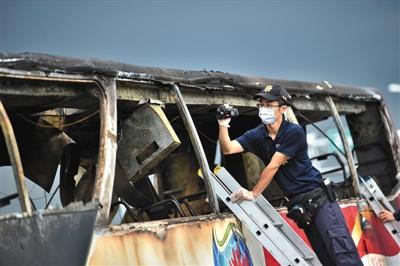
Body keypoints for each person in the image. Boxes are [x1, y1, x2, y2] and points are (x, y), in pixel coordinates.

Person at [218, 84, 363, 266]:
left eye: (269, 104)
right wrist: (223, 124)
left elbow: (273, 166)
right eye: (261, 104)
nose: (263, 109)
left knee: (344, 257)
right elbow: (228, 148)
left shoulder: (294, 132)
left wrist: (253, 194)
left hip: (320, 202)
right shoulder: (257, 135)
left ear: (283, 109)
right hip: (301, 208)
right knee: (328, 261)